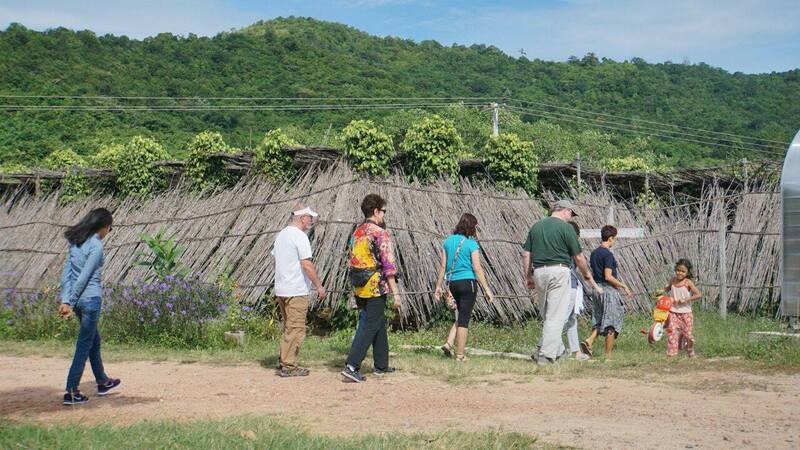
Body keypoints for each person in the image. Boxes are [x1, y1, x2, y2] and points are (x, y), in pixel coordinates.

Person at [522, 200, 601, 365]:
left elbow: (526, 254)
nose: (570, 217)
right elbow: (578, 257)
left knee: (547, 314)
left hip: (539, 272)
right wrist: (587, 274)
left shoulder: (536, 226)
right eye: (571, 214)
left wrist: (528, 276)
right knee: (555, 315)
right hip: (559, 271)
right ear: (565, 211)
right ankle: (546, 355)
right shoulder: (566, 228)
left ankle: (558, 351)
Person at [59, 208, 121, 405]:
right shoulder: (96, 245)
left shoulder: (76, 243)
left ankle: (102, 381)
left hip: (77, 302)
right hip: (90, 301)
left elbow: (67, 274)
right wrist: (71, 301)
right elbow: (84, 277)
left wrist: (66, 300)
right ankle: (71, 391)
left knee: (94, 340)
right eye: (108, 228)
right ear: (102, 227)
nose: (107, 232)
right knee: (84, 345)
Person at [342, 194, 402, 382]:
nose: (384, 215)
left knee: (376, 322)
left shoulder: (357, 232)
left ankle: (381, 365)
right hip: (375, 285)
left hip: (360, 284)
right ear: (376, 211)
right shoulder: (380, 232)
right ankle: (352, 366)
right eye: (383, 211)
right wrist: (396, 294)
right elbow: (388, 265)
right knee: (369, 324)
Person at [272, 204, 326, 377]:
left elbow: (277, 260)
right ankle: (288, 365)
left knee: (289, 327)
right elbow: (306, 265)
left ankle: (284, 361)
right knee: (296, 329)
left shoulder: (281, 235)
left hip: (282, 288)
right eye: (309, 218)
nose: (311, 221)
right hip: (295, 289)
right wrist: (318, 285)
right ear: (303, 218)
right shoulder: (299, 236)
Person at [433, 213, 495, 362]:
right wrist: (487, 289)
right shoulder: (471, 244)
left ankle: (449, 343)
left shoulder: (447, 242)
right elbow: (477, 268)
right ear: (471, 227)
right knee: (464, 320)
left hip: (452, 283)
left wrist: (438, 286)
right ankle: (460, 355)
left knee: (460, 316)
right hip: (468, 283)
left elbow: (442, 266)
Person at [533, 221, 590, 361]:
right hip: (567, 286)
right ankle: (541, 348)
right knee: (561, 319)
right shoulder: (568, 247)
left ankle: (575, 350)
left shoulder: (557, 246)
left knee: (571, 319)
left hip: (572, 285)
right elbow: (579, 260)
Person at [581, 225, 633, 358]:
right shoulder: (608, 254)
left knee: (599, 319)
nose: (614, 241)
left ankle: (590, 340)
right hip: (608, 291)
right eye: (614, 239)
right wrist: (624, 286)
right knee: (611, 323)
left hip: (597, 290)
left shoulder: (594, 253)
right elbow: (608, 276)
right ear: (610, 238)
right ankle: (607, 356)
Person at [664, 258, 702, 357]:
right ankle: (671, 354)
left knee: (687, 334)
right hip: (672, 312)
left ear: (687, 272)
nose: (680, 273)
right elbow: (668, 288)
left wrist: (686, 299)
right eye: (678, 270)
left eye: (683, 271)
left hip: (686, 313)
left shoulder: (687, 282)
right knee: (672, 332)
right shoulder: (673, 280)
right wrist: (661, 291)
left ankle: (690, 350)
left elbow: (698, 294)